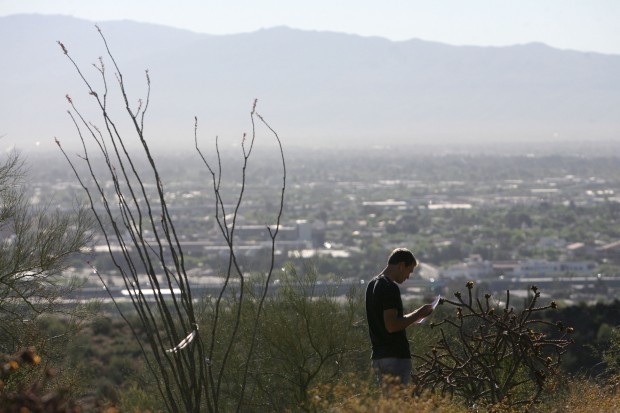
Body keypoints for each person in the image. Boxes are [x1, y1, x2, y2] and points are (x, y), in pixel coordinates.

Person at [365, 248, 434, 387]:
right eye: (409, 271)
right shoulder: (390, 287)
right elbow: (392, 326)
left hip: (379, 356)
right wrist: (418, 314)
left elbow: (388, 321)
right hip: (394, 357)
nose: (408, 276)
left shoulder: (372, 285)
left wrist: (414, 316)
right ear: (401, 265)